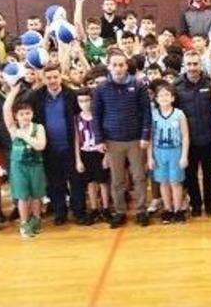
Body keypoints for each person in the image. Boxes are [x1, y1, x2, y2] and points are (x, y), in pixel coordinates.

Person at [92, 49, 153, 228]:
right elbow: (96, 114)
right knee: (117, 179)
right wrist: (99, 139)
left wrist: (145, 135)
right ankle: (119, 211)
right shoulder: (101, 88)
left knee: (139, 176)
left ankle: (141, 210)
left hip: (135, 140)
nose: (118, 68)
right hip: (112, 141)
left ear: (126, 66)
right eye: (115, 65)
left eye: (121, 65)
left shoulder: (138, 85)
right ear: (109, 67)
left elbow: (146, 112)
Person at [21, 64, 87, 226]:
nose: (52, 81)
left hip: (71, 147)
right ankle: (59, 212)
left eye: (55, 77)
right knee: (55, 182)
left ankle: (79, 211)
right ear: (43, 79)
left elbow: (80, 117)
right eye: (48, 78)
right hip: (49, 148)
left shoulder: (71, 95)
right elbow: (21, 108)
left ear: (60, 77)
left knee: (76, 181)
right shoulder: (36, 96)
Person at [174, 50, 211, 217]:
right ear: (184, 66)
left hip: (209, 137)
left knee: (209, 174)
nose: (192, 68)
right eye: (189, 64)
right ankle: (196, 205)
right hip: (189, 141)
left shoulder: (210, 83)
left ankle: (210, 205)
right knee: (190, 175)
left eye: (195, 64)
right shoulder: (176, 86)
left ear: (201, 65)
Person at [3, 84, 47, 238]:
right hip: (19, 166)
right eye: (21, 114)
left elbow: (41, 145)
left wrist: (26, 136)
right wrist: (12, 92)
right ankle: (24, 222)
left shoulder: (38, 128)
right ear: (16, 116)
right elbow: (6, 110)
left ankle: (36, 219)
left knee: (36, 195)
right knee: (22, 196)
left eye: (27, 113)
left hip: (35, 164)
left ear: (32, 114)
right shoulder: (13, 129)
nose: (25, 116)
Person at [148, 83, 189, 224]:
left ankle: (178, 210)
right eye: (161, 95)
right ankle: (167, 209)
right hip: (159, 152)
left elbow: (185, 136)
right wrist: (150, 157)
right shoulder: (153, 115)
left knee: (175, 182)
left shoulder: (179, 114)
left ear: (172, 98)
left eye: (167, 94)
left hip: (175, 151)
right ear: (156, 99)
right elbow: (150, 138)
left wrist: (184, 155)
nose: (164, 97)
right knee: (163, 182)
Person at [73, 88, 111, 224]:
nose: (84, 104)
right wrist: (78, 160)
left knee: (103, 182)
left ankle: (106, 208)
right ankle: (94, 209)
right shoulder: (76, 119)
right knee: (90, 182)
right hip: (85, 153)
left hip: (99, 152)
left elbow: (106, 137)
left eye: (87, 100)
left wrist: (107, 156)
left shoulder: (99, 116)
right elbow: (76, 140)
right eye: (81, 101)